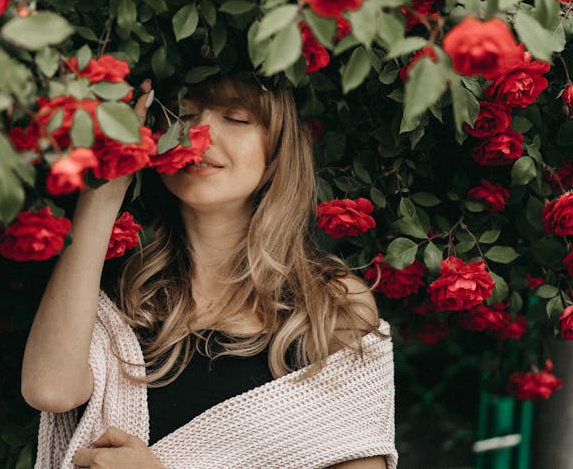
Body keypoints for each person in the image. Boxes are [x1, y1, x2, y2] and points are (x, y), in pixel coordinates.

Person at [22, 76, 397, 469]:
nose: (199, 133)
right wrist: (104, 192)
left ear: (278, 148)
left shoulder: (331, 306)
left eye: (236, 118)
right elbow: (50, 390)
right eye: (182, 113)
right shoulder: (113, 293)